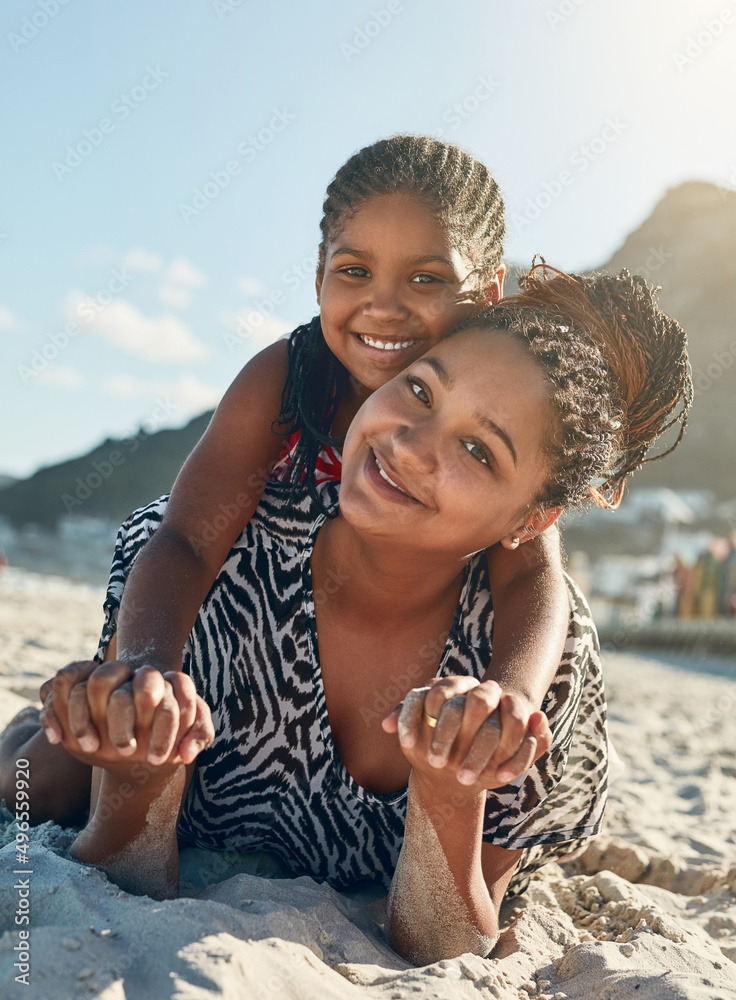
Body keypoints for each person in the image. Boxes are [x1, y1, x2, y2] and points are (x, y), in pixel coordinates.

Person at [33, 266, 691, 965]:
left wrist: (449, 790)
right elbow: (117, 878)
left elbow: (446, 949)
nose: (408, 444)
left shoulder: (533, 669)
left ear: (533, 519)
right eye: (418, 388)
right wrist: (137, 775)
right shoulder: (224, 565)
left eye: (477, 449)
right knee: (40, 784)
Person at [17, 136, 571, 811]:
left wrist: (508, 696)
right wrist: (146, 664)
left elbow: (537, 577)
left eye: (426, 278)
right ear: (318, 278)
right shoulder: (285, 380)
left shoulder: (500, 406)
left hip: (370, 664)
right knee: (43, 785)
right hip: (220, 628)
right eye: (354, 271)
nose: (385, 306)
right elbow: (187, 538)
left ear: (484, 293)